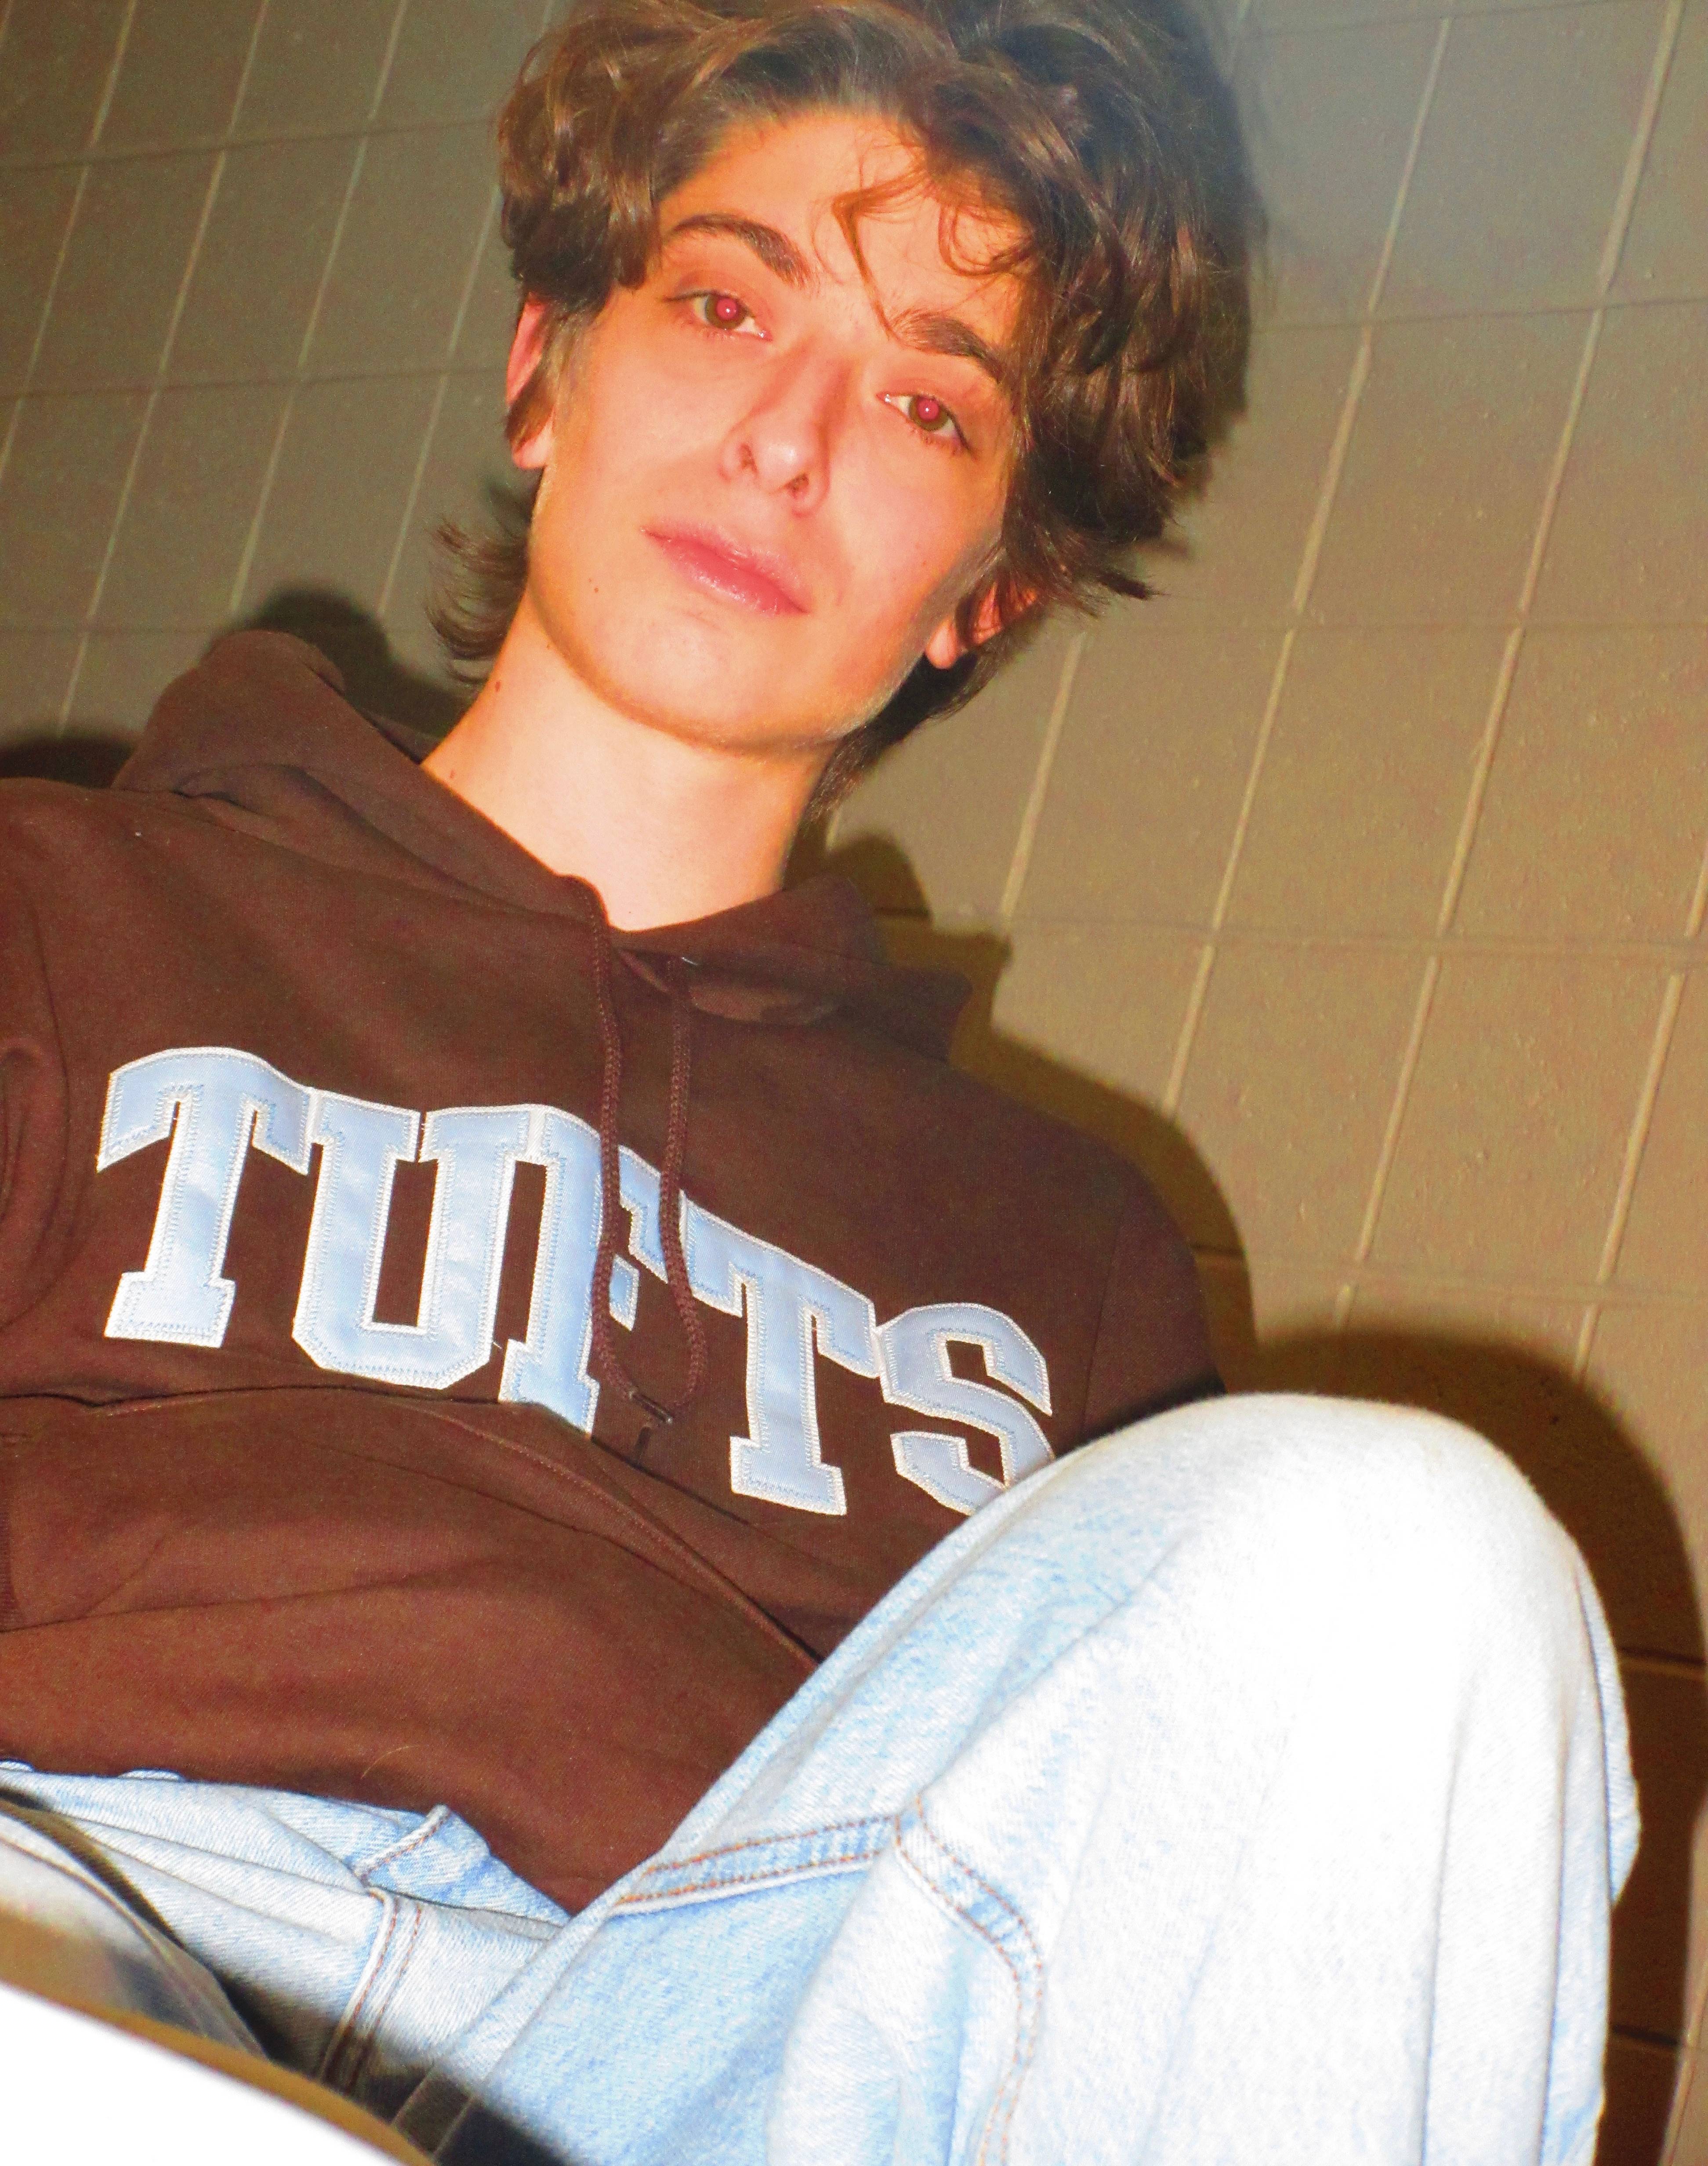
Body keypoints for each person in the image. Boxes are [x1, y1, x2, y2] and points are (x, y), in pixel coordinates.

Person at [0, 0, 1635, 2159]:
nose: (788, 439)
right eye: (723, 303)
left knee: (1402, 1550)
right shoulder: (61, 901)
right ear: (544, 368)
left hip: (728, 2049)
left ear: (992, 591)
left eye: (926, 404)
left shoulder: (1068, 1258)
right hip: (78, 1900)